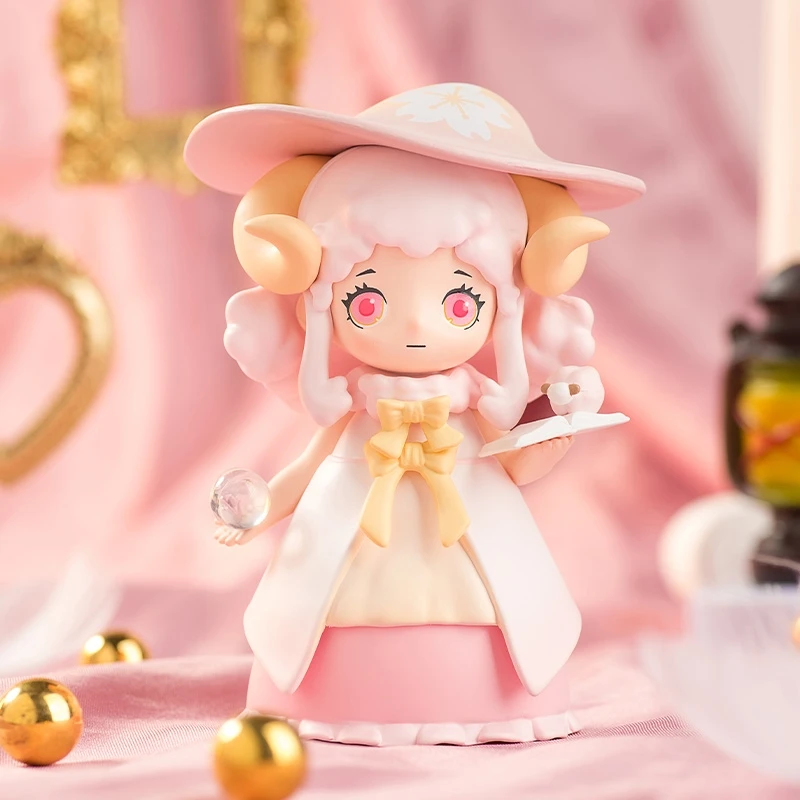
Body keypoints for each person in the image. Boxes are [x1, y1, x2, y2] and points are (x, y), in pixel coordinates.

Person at [185, 83, 644, 746]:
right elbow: (304, 471)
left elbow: (517, 467)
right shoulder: (353, 412)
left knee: (505, 597)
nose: (416, 327)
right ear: (324, 301)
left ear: (502, 305)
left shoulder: (475, 406)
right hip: (349, 552)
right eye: (368, 302)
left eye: (459, 304)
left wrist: (557, 434)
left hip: (473, 551)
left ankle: (488, 698)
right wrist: (256, 515)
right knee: (314, 604)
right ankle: (334, 696)